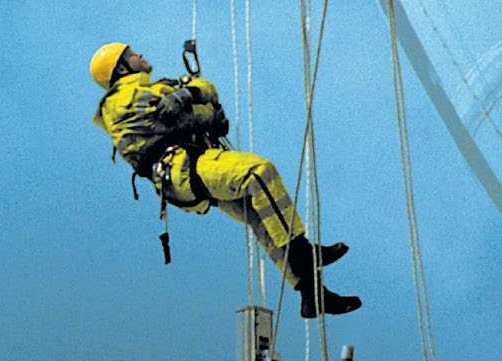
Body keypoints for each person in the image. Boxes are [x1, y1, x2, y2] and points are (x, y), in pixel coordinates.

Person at [90, 42, 362, 319]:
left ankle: (313, 294)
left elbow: (206, 88)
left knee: (260, 215)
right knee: (258, 172)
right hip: (179, 169)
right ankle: (303, 253)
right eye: (132, 55)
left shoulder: (159, 87)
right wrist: (206, 113)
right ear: (121, 68)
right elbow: (171, 121)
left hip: (191, 166)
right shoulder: (117, 102)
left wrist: (187, 94)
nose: (140, 55)